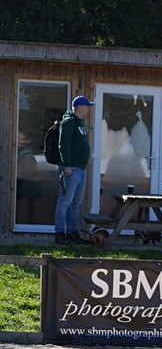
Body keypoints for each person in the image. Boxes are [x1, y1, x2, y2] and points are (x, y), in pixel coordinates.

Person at [54, 95, 94, 245]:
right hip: (71, 169)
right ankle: (59, 233)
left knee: (75, 203)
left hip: (81, 169)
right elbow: (63, 145)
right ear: (79, 107)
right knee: (64, 201)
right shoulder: (69, 122)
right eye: (87, 106)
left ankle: (72, 233)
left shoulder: (80, 123)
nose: (89, 109)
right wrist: (67, 166)